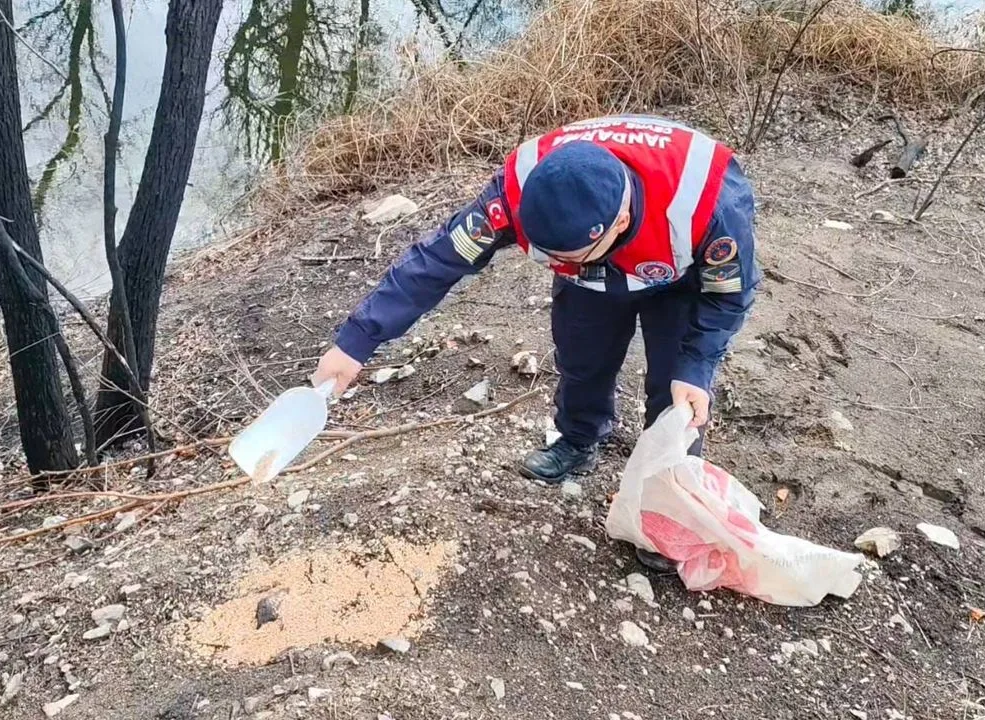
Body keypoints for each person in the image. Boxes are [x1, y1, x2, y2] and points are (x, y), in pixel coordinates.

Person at [313, 115, 760, 567]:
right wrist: (355, 342)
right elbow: (438, 261)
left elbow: (730, 292)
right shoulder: (516, 191)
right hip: (592, 280)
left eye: (560, 256)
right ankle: (579, 438)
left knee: (676, 391)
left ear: (620, 220)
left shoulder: (706, 202)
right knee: (582, 357)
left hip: (679, 275)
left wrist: (698, 366)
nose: (547, 262)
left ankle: (670, 499)